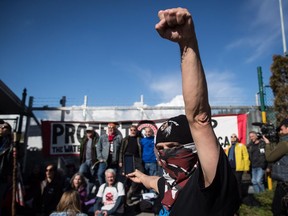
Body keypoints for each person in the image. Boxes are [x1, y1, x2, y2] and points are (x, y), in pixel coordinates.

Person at [127, 8, 240, 216]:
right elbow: (156, 182)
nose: (165, 154)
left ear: (194, 147)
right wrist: (141, 177)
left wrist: (187, 43)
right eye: (160, 148)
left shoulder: (208, 185)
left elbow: (199, 119)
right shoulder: (170, 185)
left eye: (173, 146)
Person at [264, 118, 288, 216]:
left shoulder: (285, 144)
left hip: (285, 184)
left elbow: (270, 157)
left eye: (281, 129)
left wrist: (268, 144)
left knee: (278, 210)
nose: (280, 132)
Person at [119, 125, 144, 205]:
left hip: (137, 159)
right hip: (127, 158)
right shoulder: (125, 139)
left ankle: (130, 194)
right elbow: (121, 151)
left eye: (134, 130)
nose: (133, 131)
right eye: (131, 130)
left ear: (136, 131)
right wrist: (120, 161)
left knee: (140, 176)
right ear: (130, 130)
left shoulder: (139, 139)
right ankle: (123, 198)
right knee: (126, 178)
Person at [226, 133, 250, 200]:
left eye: (234, 136)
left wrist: (246, 167)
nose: (233, 138)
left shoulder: (241, 146)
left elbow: (246, 157)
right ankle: (233, 197)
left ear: (237, 138)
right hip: (230, 168)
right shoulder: (228, 147)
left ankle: (239, 198)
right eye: (231, 137)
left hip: (238, 168)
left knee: (238, 183)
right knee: (231, 183)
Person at [0, 121, 14, 215]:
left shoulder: (10, 144)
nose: (1, 128)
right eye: (0, 126)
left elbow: (12, 160)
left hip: (2, 175)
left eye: (4, 127)